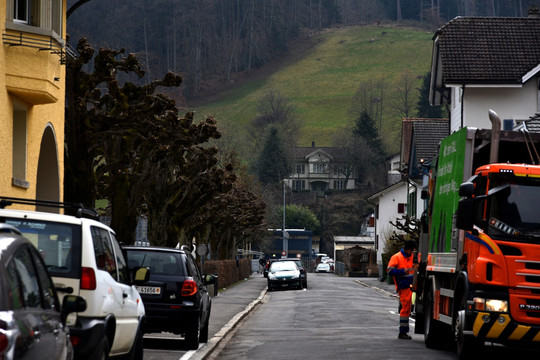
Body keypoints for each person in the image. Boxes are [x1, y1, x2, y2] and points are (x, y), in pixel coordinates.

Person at [387, 240, 417, 340]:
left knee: (407, 308)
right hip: (403, 285)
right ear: (408, 249)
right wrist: (401, 271)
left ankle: (404, 331)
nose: (412, 252)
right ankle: (403, 332)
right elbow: (390, 271)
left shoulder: (412, 256)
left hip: (410, 285)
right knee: (406, 308)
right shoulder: (396, 257)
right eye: (411, 250)